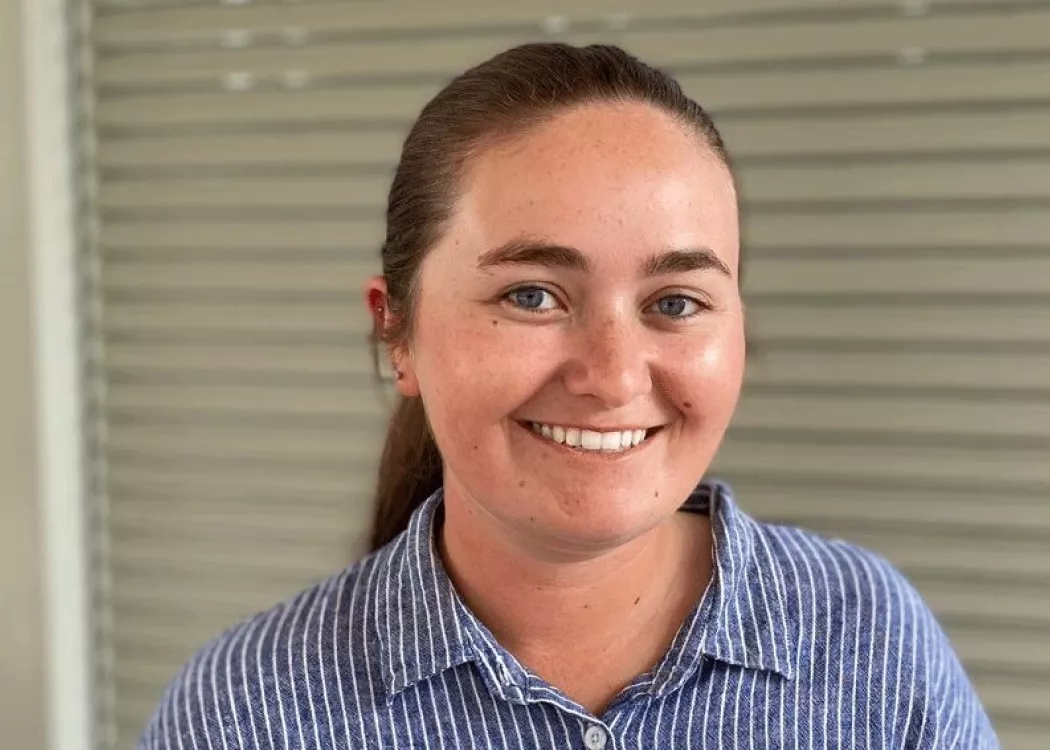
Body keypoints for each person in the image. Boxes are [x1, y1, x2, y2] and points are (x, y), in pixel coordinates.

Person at [138, 43, 998, 749]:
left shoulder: (870, 644)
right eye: (532, 295)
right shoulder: (242, 715)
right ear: (397, 331)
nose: (616, 376)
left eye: (675, 303)